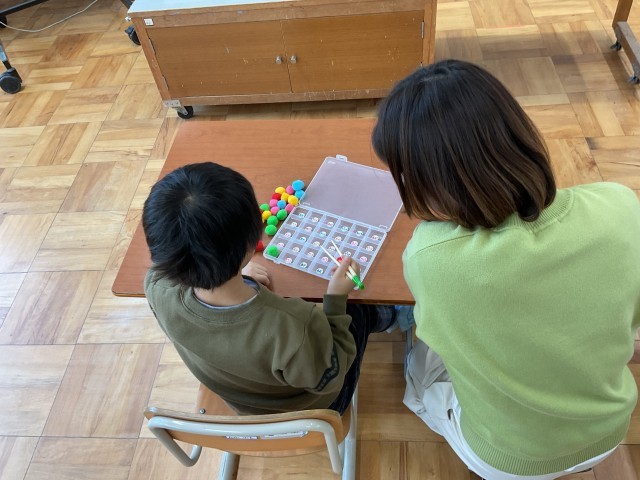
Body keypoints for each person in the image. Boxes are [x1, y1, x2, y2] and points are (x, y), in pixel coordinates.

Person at [372, 59, 640, 480]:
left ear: (432, 185)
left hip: (507, 460)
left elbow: (439, 336)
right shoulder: (620, 204)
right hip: (610, 429)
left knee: (418, 369)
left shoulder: (429, 256)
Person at [142, 162, 395, 415]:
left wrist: (235, 272)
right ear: (254, 241)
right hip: (313, 408)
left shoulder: (155, 287)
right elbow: (331, 375)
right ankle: (392, 317)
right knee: (360, 308)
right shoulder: (294, 326)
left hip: (242, 401)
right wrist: (337, 298)